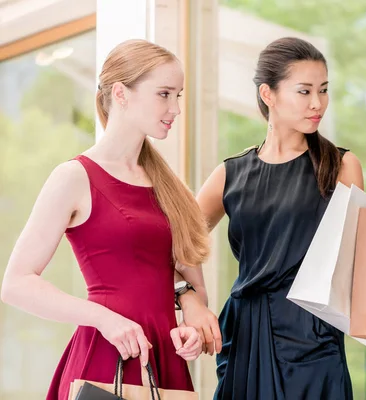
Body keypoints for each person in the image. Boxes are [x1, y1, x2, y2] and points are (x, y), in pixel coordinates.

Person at [187, 37, 366, 399]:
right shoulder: (230, 174)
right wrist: (190, 300)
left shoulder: (340, 165)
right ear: (268, 94)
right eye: (304, 91)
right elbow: (178, 247)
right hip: (246, 335)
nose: (317, 103)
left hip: (314, 336)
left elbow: (361, 253)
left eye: (324, 90)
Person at [0, 39, 210, 399]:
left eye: (178, 95)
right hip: (104, 354)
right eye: (164, 94)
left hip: (164, 360)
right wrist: (102, 318)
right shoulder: (73, 177)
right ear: (121, 93)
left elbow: (190, 284)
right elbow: (16, 283)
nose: (175, 108)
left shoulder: (171, 188)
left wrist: (189, 324)